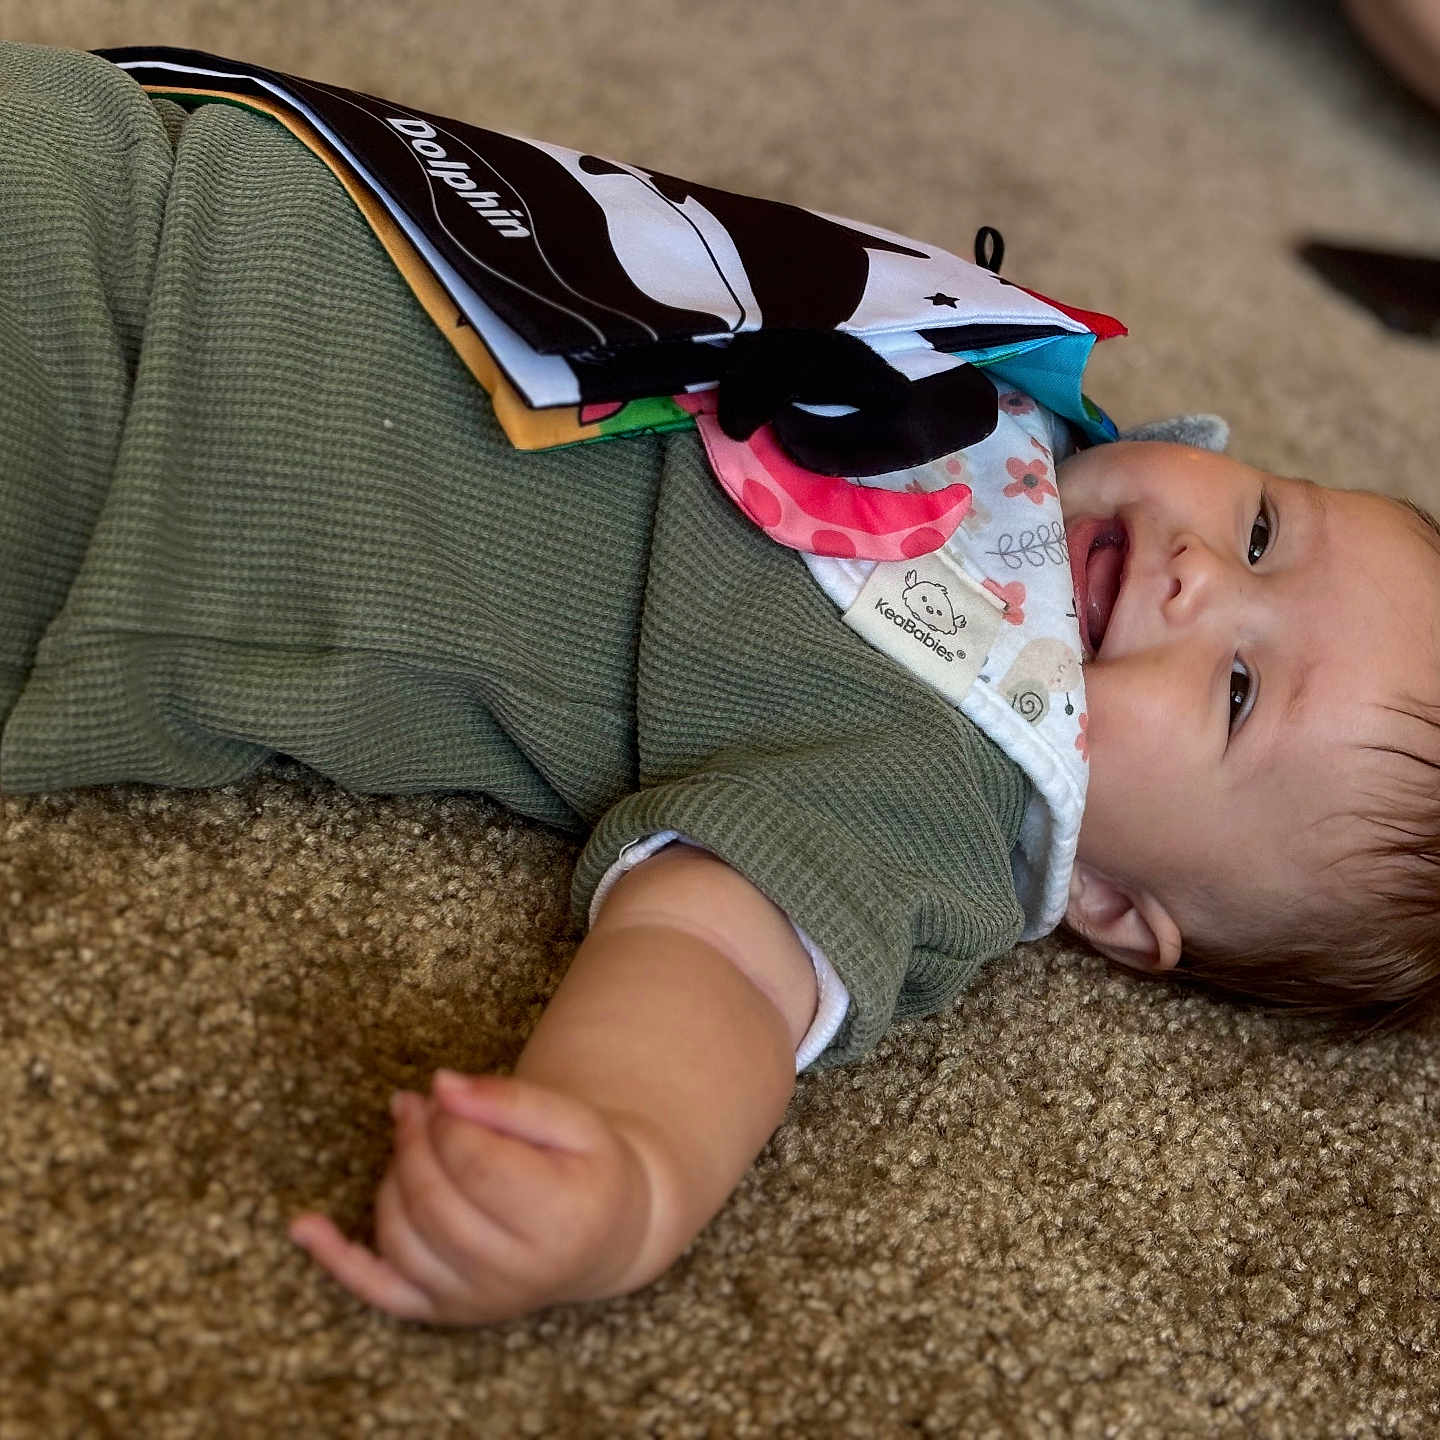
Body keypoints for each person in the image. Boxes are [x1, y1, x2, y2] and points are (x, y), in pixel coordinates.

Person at [4, 42, 1439, 1327]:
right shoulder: (1000, 392)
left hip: (111, 473)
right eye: (1264, 529)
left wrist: (622, 1166)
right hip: (154, 175)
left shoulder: (942, 778)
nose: (1202, 579)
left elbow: (724, 971)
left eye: (1240, 693)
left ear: (1118, 910)